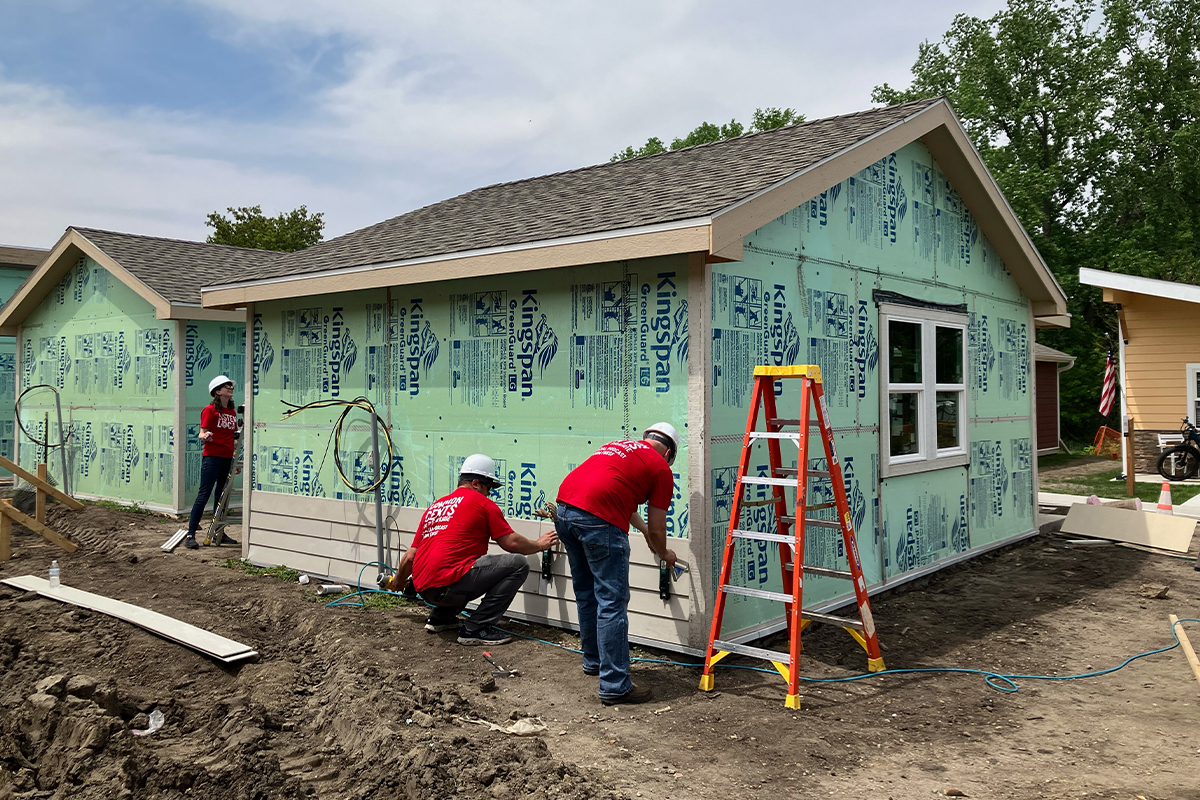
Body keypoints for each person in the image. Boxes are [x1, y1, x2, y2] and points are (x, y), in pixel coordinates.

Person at [555, 423, 680, 705]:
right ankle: (614, 685)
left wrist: (647, 536)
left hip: (565, 511)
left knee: (587, 594)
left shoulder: (619, 448)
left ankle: (594, 662)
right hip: (599, 521)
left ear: (646, 439)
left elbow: (626, 504)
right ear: (669, 452)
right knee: (612, 601)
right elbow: (659, 527)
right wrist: (663, 552)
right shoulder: (661, 468)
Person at [387, 454, 557, 645]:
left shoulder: (435, 507)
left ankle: (441, 618)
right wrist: (539, 544)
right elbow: (511, 543)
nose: (490, 493)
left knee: (465, 565)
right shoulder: (483, 503)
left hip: (426, 590)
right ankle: (477, 628)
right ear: (476, 483)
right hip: (449, 585)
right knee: (517, 564)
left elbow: (411, 556)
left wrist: (398, 582)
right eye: (489, 487)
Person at [185, 375, 239, 550]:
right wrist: (205, 436)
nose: (230, 388)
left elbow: (233, 438)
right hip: (212, 458)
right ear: (217, 391)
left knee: (221, 498)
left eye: (231, 386)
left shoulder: (232, 412)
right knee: (204, 495)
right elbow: (202, 432)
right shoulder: (209, 410)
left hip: (227, 458)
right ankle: (190, 534)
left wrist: (234, 460)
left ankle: (218, 533)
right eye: (226, 386)